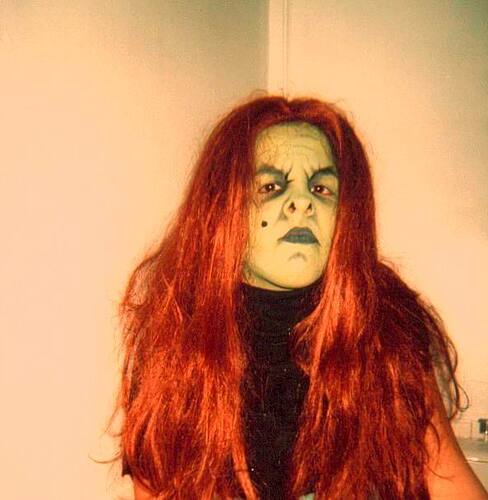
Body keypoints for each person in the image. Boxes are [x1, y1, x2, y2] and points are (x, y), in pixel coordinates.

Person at [113, 96, 488, 499]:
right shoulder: (174, 330)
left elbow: (445, 474)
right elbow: (154, 485)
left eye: (321, 188)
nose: (303, 203)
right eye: (271, 186)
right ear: (223, 207)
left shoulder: (387, 319)